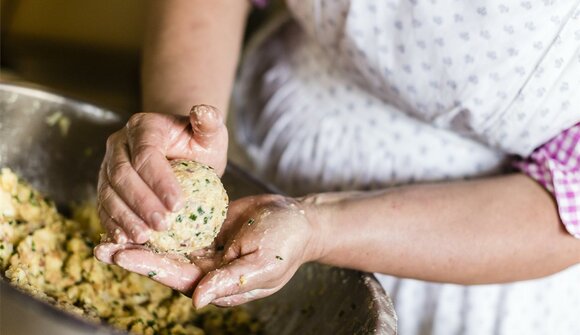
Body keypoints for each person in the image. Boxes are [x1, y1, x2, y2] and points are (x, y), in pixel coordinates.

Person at [95, 1, 580, 334]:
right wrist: (185, 125)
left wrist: (319, 225)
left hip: (473, 249)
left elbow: (569, 204)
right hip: (253, 148)